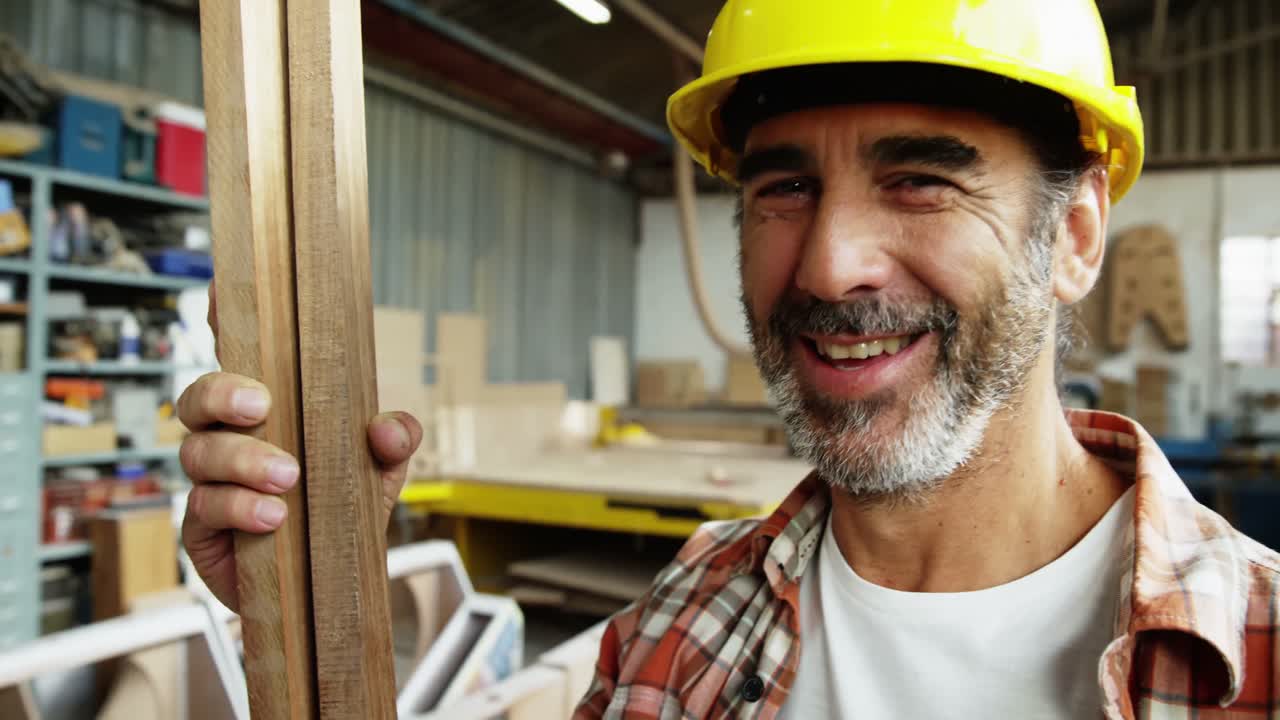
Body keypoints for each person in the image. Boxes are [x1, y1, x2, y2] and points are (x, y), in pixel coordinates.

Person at [178, 2, 1278, 719]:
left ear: (1074, 235)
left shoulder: (1250, 660)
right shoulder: (681, 622)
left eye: (920, 181)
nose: (830, 262)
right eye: (782, 188)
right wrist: (308, 620)